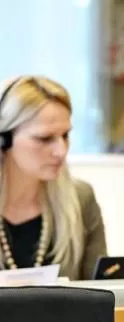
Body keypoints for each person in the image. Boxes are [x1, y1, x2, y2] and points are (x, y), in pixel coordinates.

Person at [0, 75, 106, 280]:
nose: (61, 151)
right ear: (4, 141)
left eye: (65, 136)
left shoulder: (81, 199)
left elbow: (103, 290)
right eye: (45, 138)